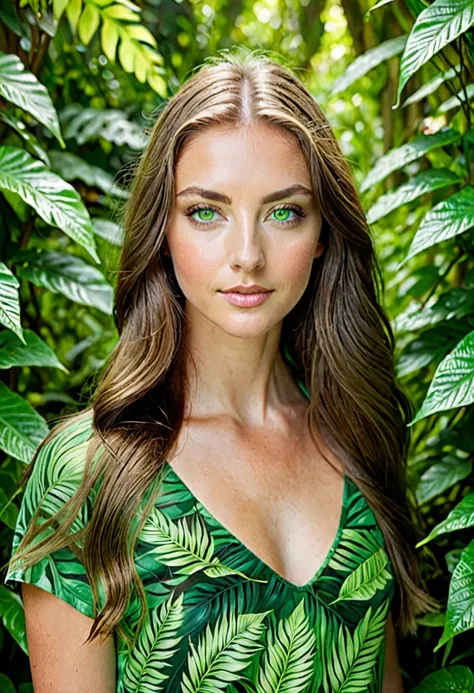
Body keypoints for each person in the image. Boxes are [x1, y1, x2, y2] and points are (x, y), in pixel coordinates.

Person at [3, 47, 436, 693]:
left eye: (283, 212)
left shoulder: (355, 432)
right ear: (163, 230)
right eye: (206, 211)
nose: (247, 255)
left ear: (322, 234)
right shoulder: (91, 473)